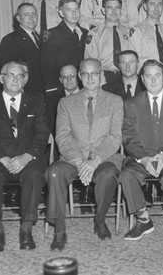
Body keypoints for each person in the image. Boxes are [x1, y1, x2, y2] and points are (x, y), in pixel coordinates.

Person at [45, 58, 123, 251]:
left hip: (103, 158)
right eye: (85, 74)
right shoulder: (65, 103)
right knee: (53, 173)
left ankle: (100, 220)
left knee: (107, 175)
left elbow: (115, 137)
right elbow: (62, 137)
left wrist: (94, 161)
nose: (90, 78)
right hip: (73, 158)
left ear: (101, 76)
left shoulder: (115, 101)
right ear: (79, 77)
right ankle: (59, 230)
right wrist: (80, 162)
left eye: (94, 73)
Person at [119, 59, 163, 241]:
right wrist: (144, 158)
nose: (153, 80)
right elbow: (128, 136)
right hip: (141, 157)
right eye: (148, 76)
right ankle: (143, 220)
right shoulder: (132, 104)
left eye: (157, 75)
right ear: (142, 79)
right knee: (127, 175)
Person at [0, 61, 49, 253]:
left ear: (25, 79)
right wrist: (3, 158)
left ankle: (26, 228)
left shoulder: (36, 101)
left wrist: (27, 156)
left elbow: (42, 134)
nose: (15, 79)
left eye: (20, 75)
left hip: (27, 158)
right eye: (10, 75)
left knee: (35, 175)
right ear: (1, 78)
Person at [41, 0, 88, 113]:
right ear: (61, 13)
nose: (74, 13)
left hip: (83, 88)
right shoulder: (52, 35)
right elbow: (47, 67)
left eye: (76, 9)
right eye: (69, 10)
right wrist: (53, 92)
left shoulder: (86, 33)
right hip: (61, 91)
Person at [0, 3, 43, 96]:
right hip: (23, 92)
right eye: (26, 15)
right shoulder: (10, 40)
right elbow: (7, 71)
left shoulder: (40, 38)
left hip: (40, 92)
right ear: (18, 18)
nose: (31, 18)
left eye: (34, 14)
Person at [84, 0, 132, 84]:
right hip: (105, 78)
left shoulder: (129, 32)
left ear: (121, 10)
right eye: (109, 7)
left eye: (117, 8)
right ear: (103, 11)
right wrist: (101, 82)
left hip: (127, 76)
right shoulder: (95, 33)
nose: (114, 11)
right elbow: (91, 62)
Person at [130, 0, 163, 84]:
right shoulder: (137, 31)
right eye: (152, 4)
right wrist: (154, 78)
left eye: (160, 4)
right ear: (145, 7)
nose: (156, 8)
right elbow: (137, 60)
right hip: (149, 81)